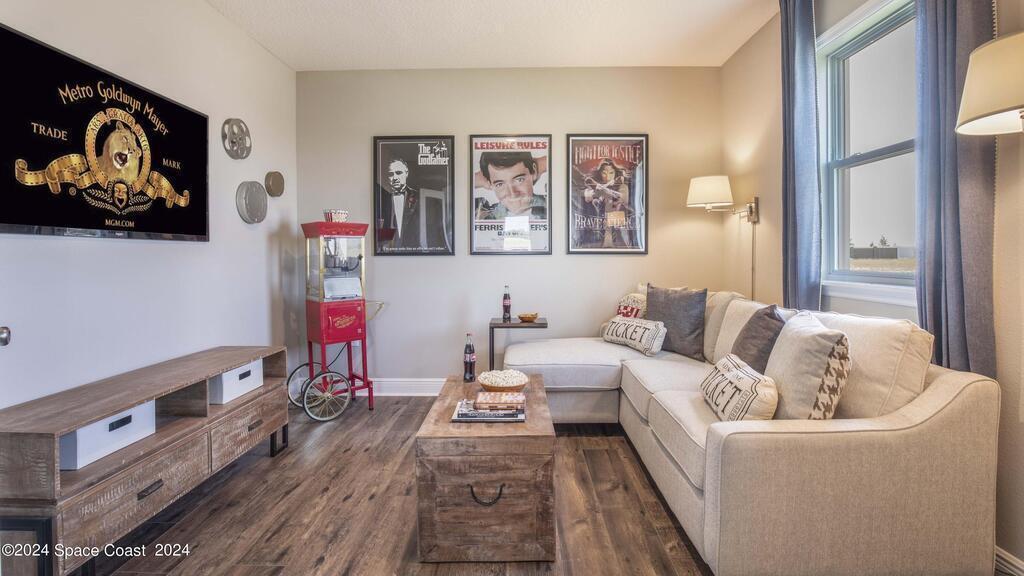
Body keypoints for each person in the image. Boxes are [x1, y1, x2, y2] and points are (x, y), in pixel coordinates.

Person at [376, 157, 449, 251]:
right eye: (391, 174)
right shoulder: (385, 198)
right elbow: (385, 231)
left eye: (398, 173)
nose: (395, 177)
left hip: (416, 250)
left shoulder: (422, 198)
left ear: (406, 173)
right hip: (391, 251)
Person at [573, 158, 636, 248]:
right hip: (596, 231)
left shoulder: (622, 186)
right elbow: (586, 198)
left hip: (618, 228)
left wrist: (603, 190)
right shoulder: (593, 188)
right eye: (604, 173)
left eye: (611, 173)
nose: (607, 177)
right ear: (600, 173)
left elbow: (622, 199)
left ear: (615, 173)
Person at [474, 151, 547, 220]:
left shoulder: (551, 204)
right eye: (500, 184)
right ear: (490, 184)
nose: (513, 194)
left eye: (519, 180)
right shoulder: (483, 214)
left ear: (534, 172)